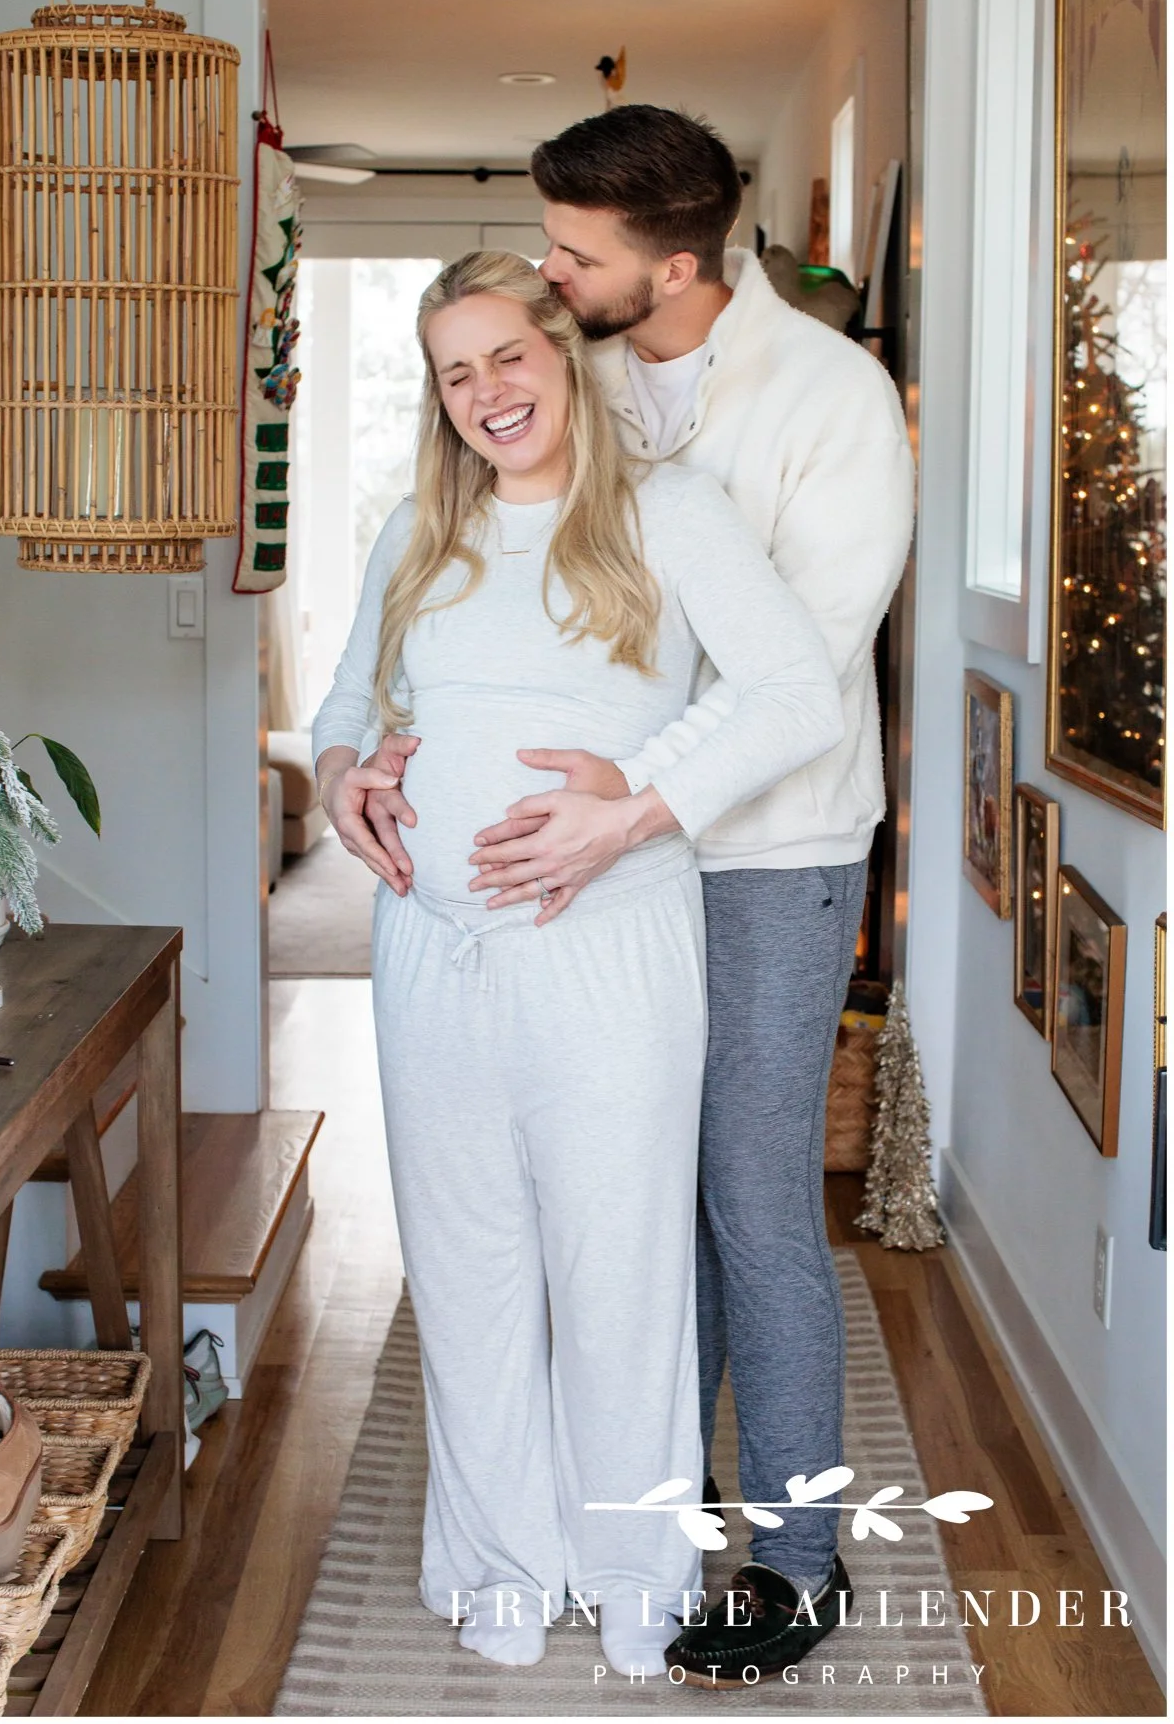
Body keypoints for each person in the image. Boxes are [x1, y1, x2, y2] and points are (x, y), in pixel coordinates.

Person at [348, 106, 915, 1682]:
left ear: (666, 266)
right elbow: (491, 605)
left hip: (766, 854)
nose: (549, 272)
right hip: (596, 883)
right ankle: (645, 1509)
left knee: (743, 1202)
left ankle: (798, 1561)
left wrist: (627, 804)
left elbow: (793, 661)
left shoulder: (832, 400)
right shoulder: (579, 378)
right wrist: (387, 761)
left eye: (573, 255)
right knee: (625, 1211)